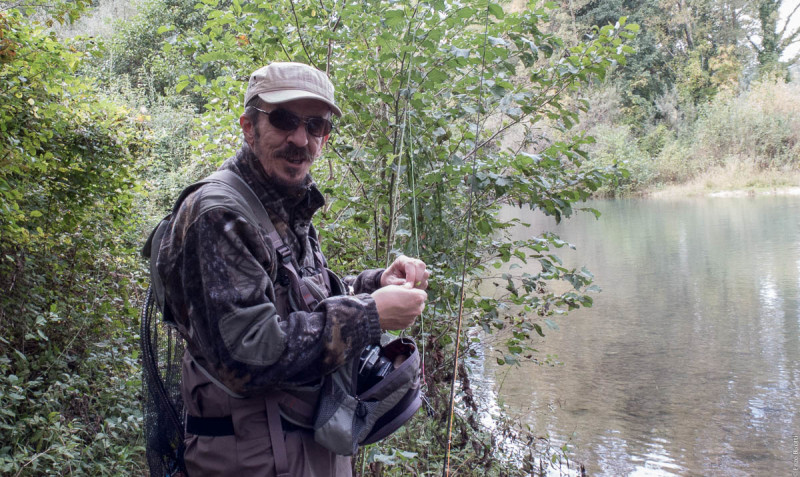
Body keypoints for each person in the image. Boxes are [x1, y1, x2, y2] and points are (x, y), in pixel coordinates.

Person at [156, 62, 430, 476]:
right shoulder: (219, 215)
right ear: (249, 127)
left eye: (316, 125)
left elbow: (303, 298)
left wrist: (376, 284)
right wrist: (370, 315)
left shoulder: (284, 199)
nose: (300, 139)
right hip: (250, 458)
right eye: (284, 120)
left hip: (302, 445)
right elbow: (248, 356)